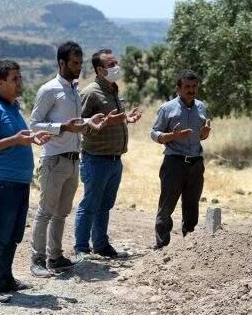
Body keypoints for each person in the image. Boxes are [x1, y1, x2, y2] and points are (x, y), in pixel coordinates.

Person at [0, 60, 52, 303]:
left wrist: (32, 137)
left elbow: (17, 138)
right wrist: (16, 140)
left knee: (12, 236)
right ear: (1, 83)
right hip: (2, 185)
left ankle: (4, 280)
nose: (20, 82)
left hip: (19, 185)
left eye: (20, 77)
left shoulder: (14, 108)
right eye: (15, 79)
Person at [29, 41, 105, 277]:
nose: (78, 67)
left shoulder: (74, 90)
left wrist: (88, 124)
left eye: (80, 63)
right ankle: (37, 260)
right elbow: (34, 124)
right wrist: (62, 127)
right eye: (74, 63)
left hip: (73, 160)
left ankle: (55, 256)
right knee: (45, 212)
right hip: (53, 160)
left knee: (62, 213)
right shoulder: (49, 89)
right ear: (61, 63)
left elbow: (75, 126)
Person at [73, 49, 142, 260]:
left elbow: (111, 119)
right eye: (111, 65)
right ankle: (81, 249)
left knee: (105, 205)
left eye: (116, 63)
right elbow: (79, 125)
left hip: (114, 159)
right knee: (90, 204)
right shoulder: (91, 92)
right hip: (95, 159)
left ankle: (101, 245)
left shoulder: (112, 89)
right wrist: (103, 123)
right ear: (99, 69)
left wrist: (125, 120)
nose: (115, 68)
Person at [150, 70, 211, 249]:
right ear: (178, 89)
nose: (191, 90)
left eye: (194, 87)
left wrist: (204, 134)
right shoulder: (167, 108)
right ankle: (161, 246)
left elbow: (201, 135)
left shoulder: (201, 107)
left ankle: (189, 245)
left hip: (196, 163)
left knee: (192, 205)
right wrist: (171, 136)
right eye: (187, 87)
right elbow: (154, 133)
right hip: (174, 163)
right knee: (167, 205)